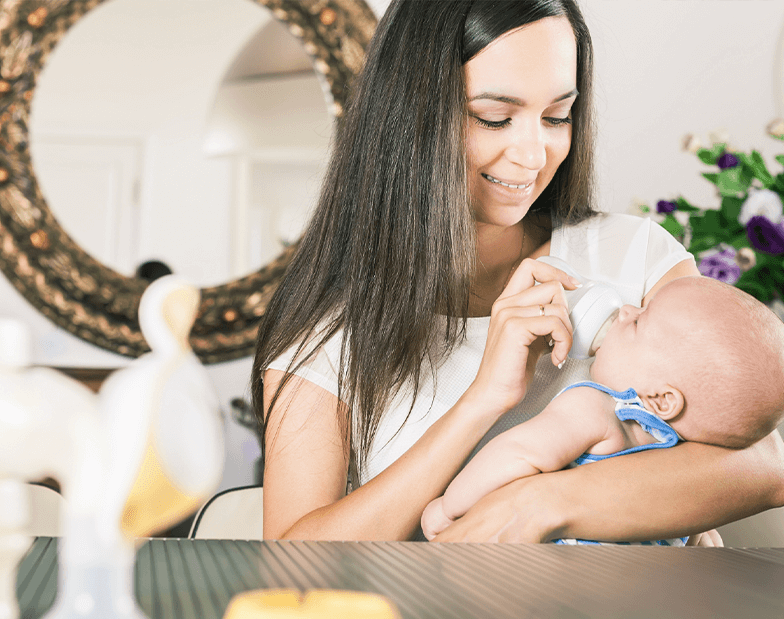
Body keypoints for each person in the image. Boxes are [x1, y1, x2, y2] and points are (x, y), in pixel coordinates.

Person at [250, 0, 784, 544]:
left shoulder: (634, 255)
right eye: (494, 117)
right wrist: (485, 397)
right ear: (408, 117)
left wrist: (541, 502)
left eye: (557, 116)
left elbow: (764, 461)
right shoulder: (331, 327)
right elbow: (295, 556)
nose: (534, 155)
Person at [421, 276, 784, 543]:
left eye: (639, 321)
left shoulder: (597, 408)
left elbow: (519, 452)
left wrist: (450, 507)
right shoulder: (681, 464)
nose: (626, 309)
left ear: (661, 400)